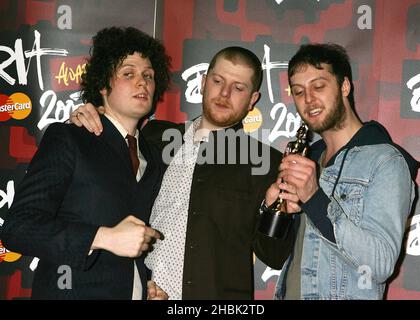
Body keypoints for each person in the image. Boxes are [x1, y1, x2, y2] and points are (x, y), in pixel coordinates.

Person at [69, 46, 291, 299]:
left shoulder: (267, 162)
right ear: (204, 82)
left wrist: (277, 212)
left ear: (252, 100)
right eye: (218, 81)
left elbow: (274, 256)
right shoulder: (154, 137)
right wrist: (87, 117)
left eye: (238, 88)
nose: (225, 93)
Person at [0, 26, 171, 299]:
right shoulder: (70, 137)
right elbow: (18, 228)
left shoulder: (154, 155)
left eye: (148, 76)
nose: (143, 82)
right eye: (129, 73)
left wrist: (142, 286)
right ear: (103, 85)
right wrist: (104, 237)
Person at [263, 43, 420, 300]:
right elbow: (275, 258)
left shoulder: (386, 161)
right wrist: (274, 211)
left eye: (319, 86)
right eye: (299, 91)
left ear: (344, 87)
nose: (308, 99)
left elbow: (380, 265)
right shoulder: (306, 158)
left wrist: (314, 199)